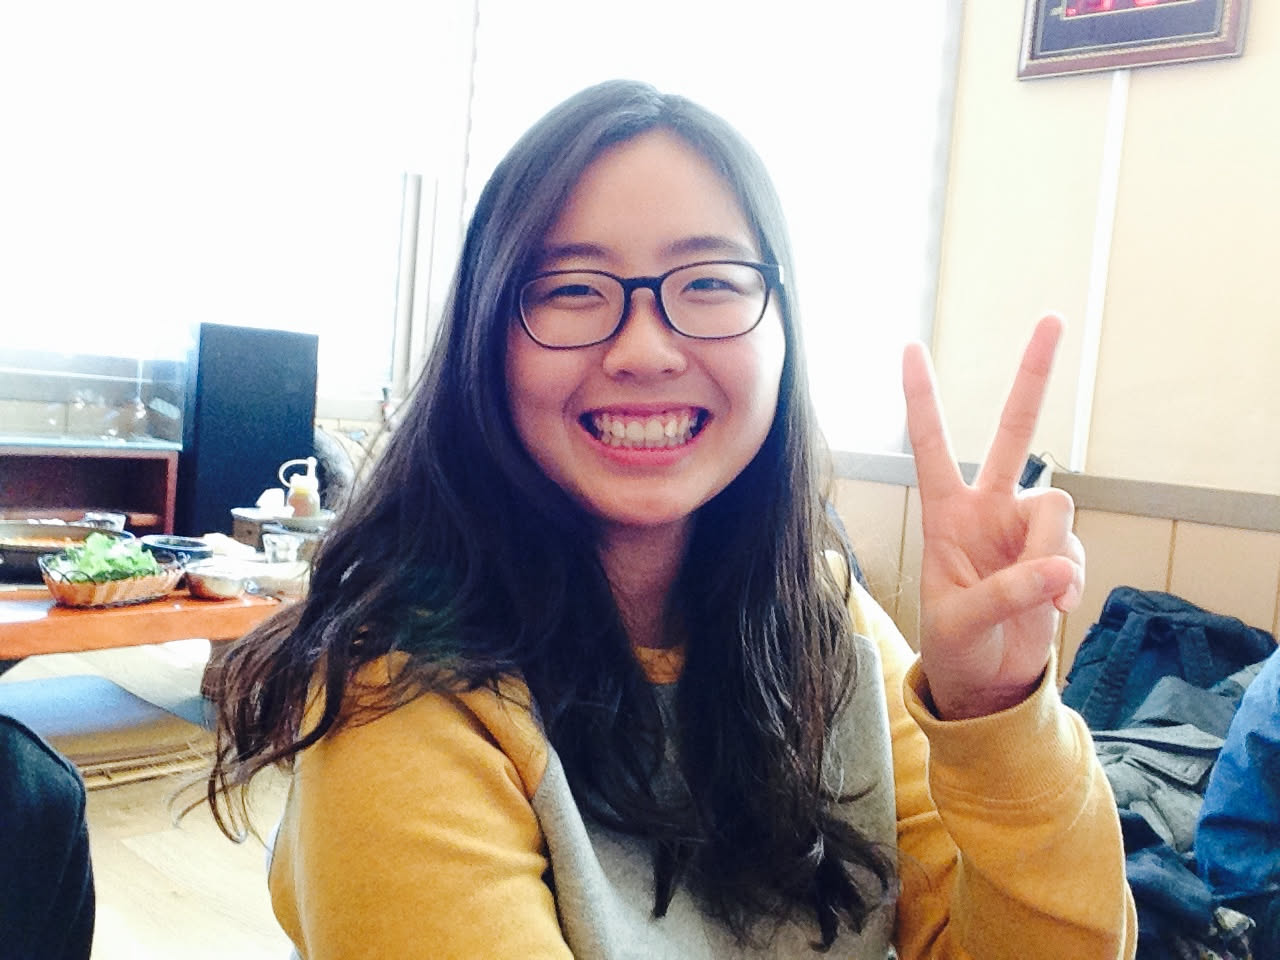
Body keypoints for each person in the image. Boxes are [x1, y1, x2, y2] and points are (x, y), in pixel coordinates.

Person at [208, 80, 1136, 958]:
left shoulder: (824, 617)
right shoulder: (397, 694)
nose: (645, 349)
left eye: (711, 283)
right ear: (486, 339)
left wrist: (1000, 719)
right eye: (572, 289)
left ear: (783, 331)